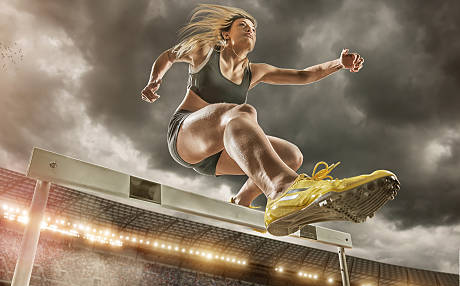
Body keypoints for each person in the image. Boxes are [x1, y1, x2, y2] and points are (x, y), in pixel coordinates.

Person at [141, 4, 399, 236]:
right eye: (243, 25)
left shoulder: (255, 71)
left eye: (253, 28)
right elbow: (169, 56)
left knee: (291, 155)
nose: (250, 30)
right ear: (226, 34)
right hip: (186, 136)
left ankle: (242, 201)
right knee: (242, 112)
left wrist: (338, 63)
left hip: (221, 152)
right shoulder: (204, 51)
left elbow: (303, 76)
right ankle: (281, 189)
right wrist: (155, 80)